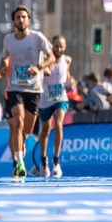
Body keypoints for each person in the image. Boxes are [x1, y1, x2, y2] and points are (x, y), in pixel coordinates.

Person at [0, 5, 53, 178]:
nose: (21, 20)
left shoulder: (37, 38)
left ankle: (21, 144)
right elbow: (4, 60)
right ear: (14, 21)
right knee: (17, 122)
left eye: (24, 17)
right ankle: (18, 163)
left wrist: (39, 67)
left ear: (29, 20)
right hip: (14, 88)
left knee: (27, 129)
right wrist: (0, 70)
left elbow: (52, 57)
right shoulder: (8, 40)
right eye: (18, 17)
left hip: (34, 89)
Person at [37, 34, 72, 178]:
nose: (58, 49)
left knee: (58, 125)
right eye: (56, 46)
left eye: (61, 47)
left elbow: (67, 76)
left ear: (65, 47)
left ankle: (56, 161)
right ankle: (43, 159)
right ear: (52, 46)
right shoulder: (46, 61)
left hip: (61, 98)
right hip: (46, 100)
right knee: (45, 130)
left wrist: (70, 82)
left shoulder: (67, 60)